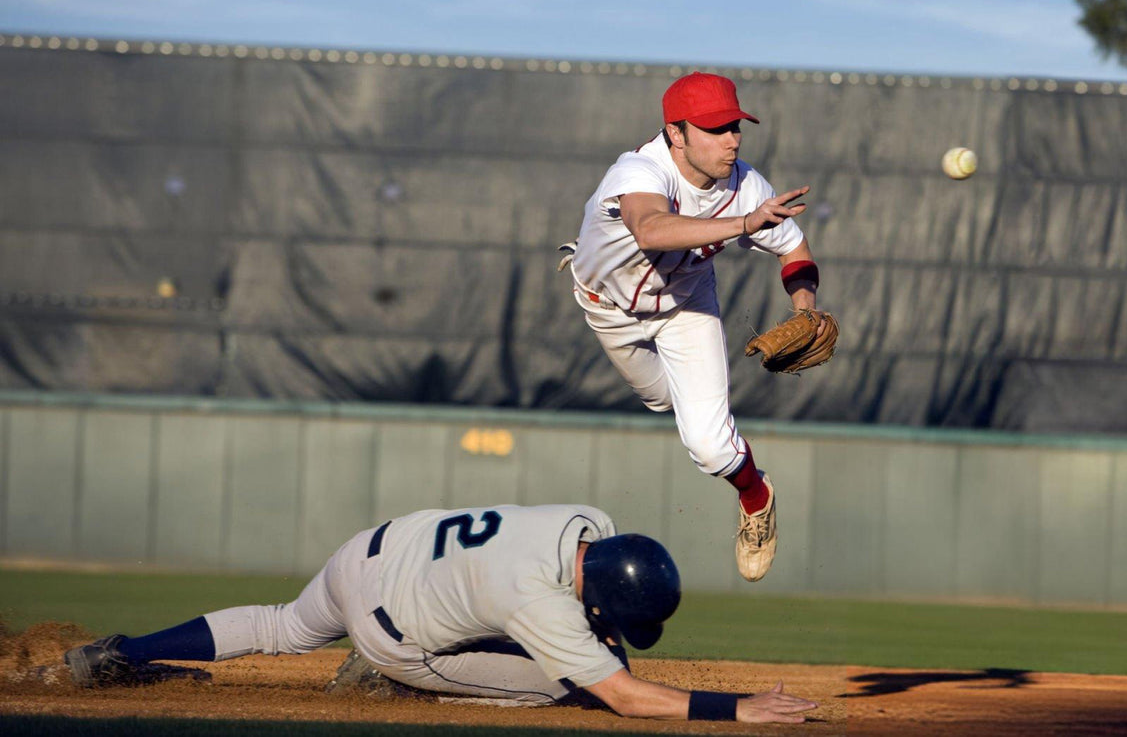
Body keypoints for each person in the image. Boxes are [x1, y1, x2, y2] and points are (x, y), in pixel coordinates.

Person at [64, 503, 817, 724]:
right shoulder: (535, 598)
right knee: (576, 681)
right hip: (392, 636)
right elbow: (624, 697)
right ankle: (385, 680)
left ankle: (122, 651)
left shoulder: (587, 518)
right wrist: (734, 707)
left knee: (281, 625)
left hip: (370, 550)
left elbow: (575, 593)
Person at [564, 72, 820, 582]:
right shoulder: (638, 170)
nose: (732, 139)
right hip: (609, 308)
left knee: (708, 445)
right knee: (662, 401)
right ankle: (691, 412)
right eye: (715, 128)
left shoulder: (747, 184)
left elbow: (793, 246)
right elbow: (652, 228)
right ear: (676, 133)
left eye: (735, 126)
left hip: (686, 306)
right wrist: (745, 225)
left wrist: (805, 308)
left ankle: (756, 496)